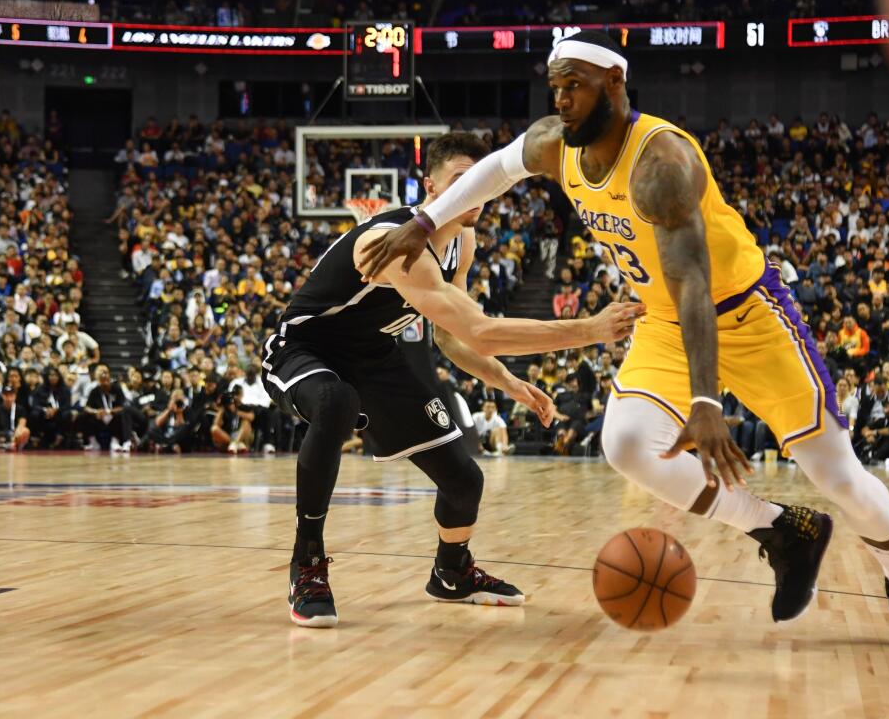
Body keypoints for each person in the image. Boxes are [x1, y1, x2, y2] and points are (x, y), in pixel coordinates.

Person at [358, 31, 889, 652]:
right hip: (667, 323)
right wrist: (425, 220)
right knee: (624, 442)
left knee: (835, 474)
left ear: (614, 85)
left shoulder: (661, 165)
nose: (562, 101)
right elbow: (497, 168)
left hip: (746, 317)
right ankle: (782, 530)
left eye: (576, 87)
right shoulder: (555, 144)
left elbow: (695, 283)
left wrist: (706, 402)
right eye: (555, 87)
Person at [264, 131, 641, 628]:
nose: (475, 195)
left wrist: (508, 382)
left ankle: (452, 572)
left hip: (374, 356)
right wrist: (589, 329)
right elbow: (481, 329)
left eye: (481, 183)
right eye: (462, 182)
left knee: (464, 481)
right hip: (305, 348)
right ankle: (307, 562)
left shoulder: (462, 243)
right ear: (431, 188)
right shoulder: (393, 242)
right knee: (336, 399)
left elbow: (453, 338)